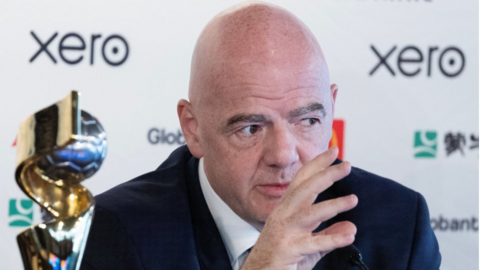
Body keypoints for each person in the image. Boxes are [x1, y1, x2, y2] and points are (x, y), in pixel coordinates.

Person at [80, 2, 441, 270]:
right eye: (250, 128)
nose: (284, 156)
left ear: (331, 109)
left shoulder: (398, 223)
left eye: (308, 121)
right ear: (193, 128)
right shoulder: (108, 234)